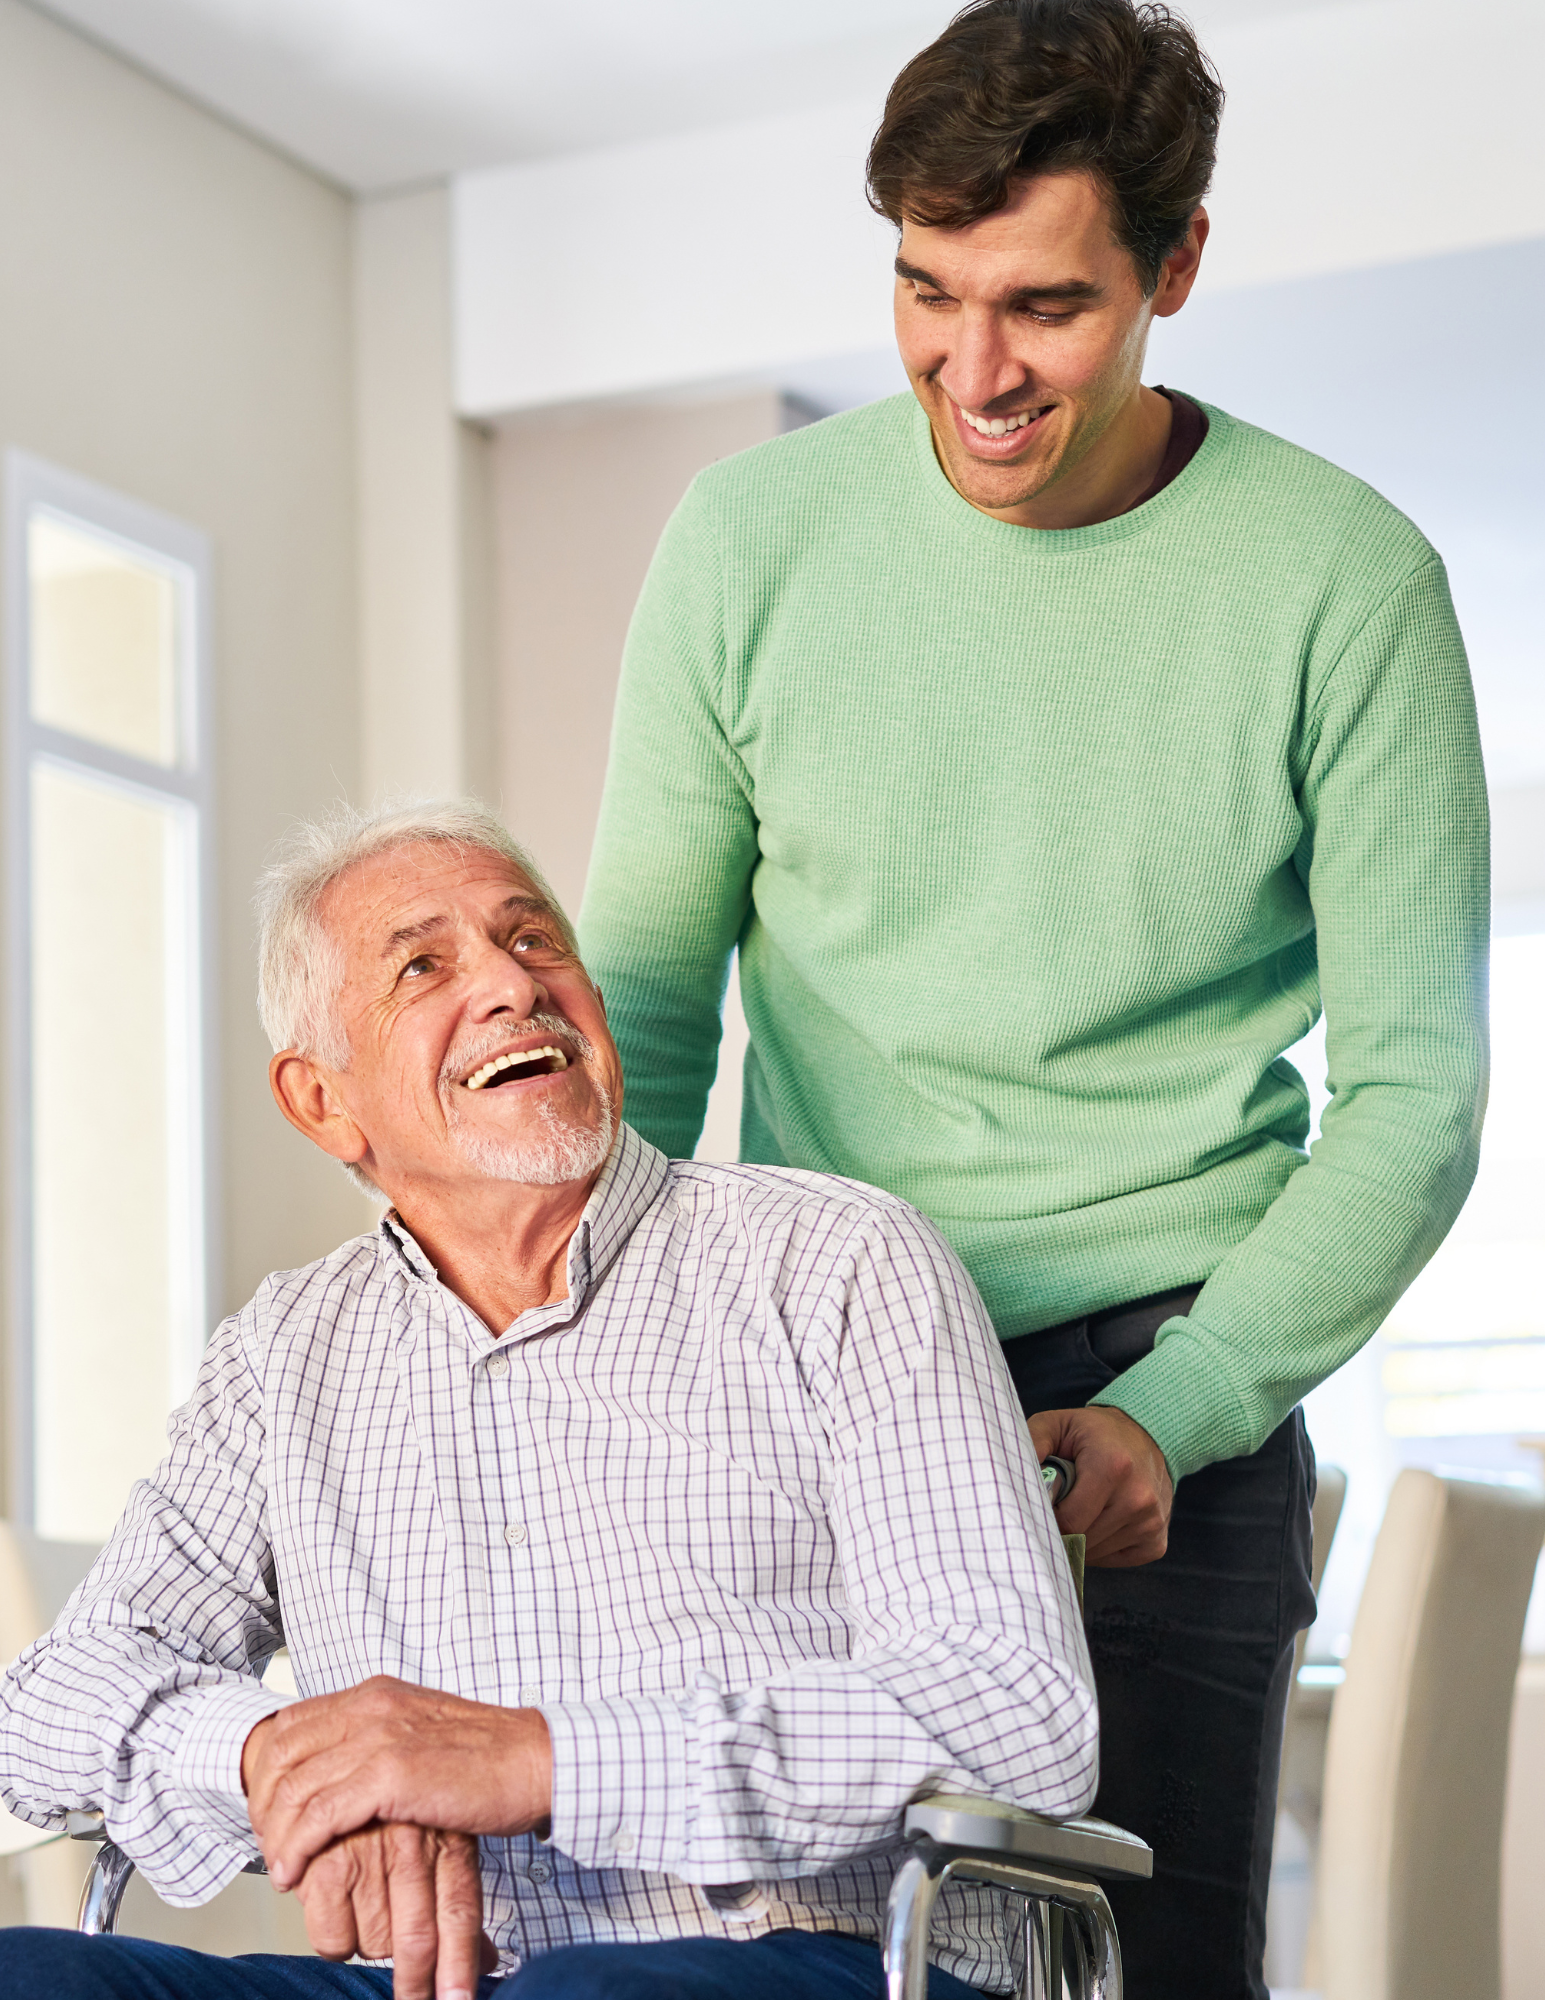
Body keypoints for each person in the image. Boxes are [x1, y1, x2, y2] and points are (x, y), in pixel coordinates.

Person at [576, 2, 1489, 1993]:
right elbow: (641, 1001)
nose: (969, 372)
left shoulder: (1347, 586)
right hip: (802, 1352)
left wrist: (1180, 1407)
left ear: (1171, 270)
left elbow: (1417, 1098)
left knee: (1133, 1974)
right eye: (925, 291)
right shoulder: (749, 542)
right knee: (783, 1962)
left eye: (1045, 308)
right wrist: (601, 1361)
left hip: (1162, 1376)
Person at [0, 800, 1096, 2000]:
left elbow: (1017, 1710)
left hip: (822, 1958)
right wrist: (299, 1760)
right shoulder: (281, 1353)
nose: (512, 987)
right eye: (424, 963)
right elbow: (49, 1704)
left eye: (535, 942)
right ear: (324, 1101)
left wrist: (538, 1759)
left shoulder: (838, 1260)